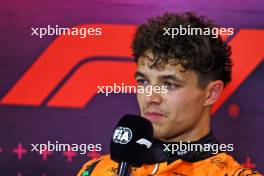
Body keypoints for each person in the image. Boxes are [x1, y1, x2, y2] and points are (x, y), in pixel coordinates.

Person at [78, 12, 262, 176]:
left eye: (168, 84)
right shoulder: (96, 170)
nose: (151, 97)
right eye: (143, 82)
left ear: (211, 93)